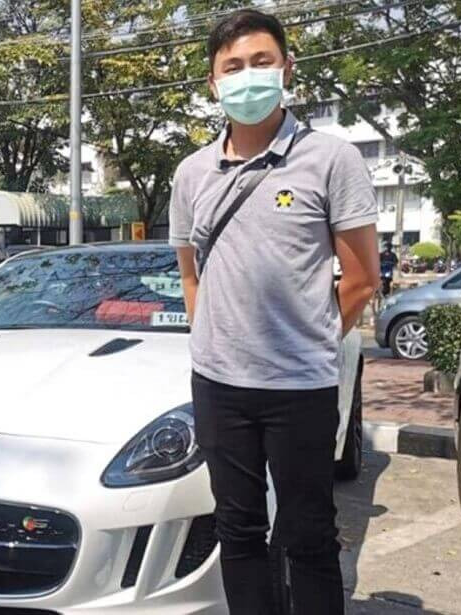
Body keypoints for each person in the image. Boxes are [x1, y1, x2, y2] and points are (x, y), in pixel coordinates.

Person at [168, 9, 380, 615]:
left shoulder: (331, 160)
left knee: (308, 534)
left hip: (299, 387)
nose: (248, 76)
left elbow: (361, 280)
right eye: (233, 66)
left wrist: (308, 340)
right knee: (237, 532)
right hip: (219, 388)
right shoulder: (191, 173)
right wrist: (213, 340)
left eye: (261, 61)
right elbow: (191, 274)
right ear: (214, 82)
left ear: (287, 68)